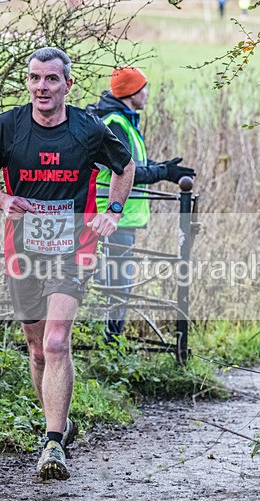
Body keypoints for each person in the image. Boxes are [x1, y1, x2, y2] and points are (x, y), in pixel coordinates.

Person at [0, 47, 135, 480]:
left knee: (58, 341)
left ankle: (53, 442)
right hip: (22, 249)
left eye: (52, 79)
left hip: (73, 246)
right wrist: (3, 199)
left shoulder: (88, 128)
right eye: (35, 78)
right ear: (28, 82)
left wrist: (112, 210)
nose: (43, 86)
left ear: (67, 85)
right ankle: (58, 424)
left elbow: (124, 165)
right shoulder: (8, 127)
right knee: (38, 349)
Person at [87, 66, 195, 338]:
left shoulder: (122, 121)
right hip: (110, 217)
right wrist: (164, 173)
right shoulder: (115, 123)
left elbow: (133, 166)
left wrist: (164, 169)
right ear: (131, 92)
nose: (147, 93)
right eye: (143, 87)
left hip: (118, 217)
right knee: (115, 287)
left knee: (116, 285)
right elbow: (124, 171)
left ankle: (109, 346)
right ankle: (109, 349)